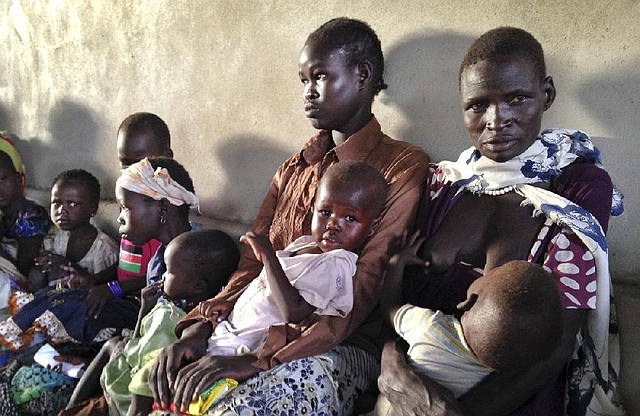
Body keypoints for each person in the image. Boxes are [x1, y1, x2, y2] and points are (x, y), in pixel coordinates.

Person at [150, 17, 429, 415]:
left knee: (240, 407)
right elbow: (251, 265)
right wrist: (202, 328)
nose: (308, 92)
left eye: (320, 77)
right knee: (162, 380)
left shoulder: (399, 166)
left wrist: (259, 361)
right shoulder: (294, 169)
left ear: (363, 75)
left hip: (336, 345)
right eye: (303, 81)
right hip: (246, 334)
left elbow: (363, 291)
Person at [377, 27, 625, 416]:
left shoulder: (579, 186)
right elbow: (398, 303)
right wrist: (392, 366)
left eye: (518, 99)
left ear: (547, 94)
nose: (497, 119)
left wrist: (453, 413)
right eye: (478, 105)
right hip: (412, 384)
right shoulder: (445, 184)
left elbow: (558, 341)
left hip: (514, 401)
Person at [373, 247, 563, 415]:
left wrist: (395, 264)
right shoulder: (488, 376)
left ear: (469, 300)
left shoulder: (431, 327)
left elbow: (390, 307)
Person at [99, 229, 239, 416]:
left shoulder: (177, 321)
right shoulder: (171, 306)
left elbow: (142, 385)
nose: (162, 276)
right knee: (114, 343)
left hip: (127, 396)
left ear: (198, 286)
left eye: (169, 272)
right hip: (131, 376)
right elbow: (139, 340)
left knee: (112, 345)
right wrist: (145, 308)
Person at [0, 169, 119, 351]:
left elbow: (102, 289)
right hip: (55, 299)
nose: (62, 211)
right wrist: (47, 262)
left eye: (73, 204)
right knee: (36, 275)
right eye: (57, 203)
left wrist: (67, 265)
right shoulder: (57, 236)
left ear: (92, 209)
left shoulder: (104, 248)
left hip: (82, 309)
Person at [115, 112, 173, 286]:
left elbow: (164, 274)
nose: (133, 171)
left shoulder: (169, 206)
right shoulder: (126, 197)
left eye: (142, 162)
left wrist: (114, 289)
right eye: (125, 164)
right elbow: (127, 261)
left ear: (167, 157)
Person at [0, 133, 52, 309]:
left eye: (2, 179)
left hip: (28, 286)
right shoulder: (5, 216)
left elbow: (24, 269)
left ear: (18, 178)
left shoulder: (32, 216)